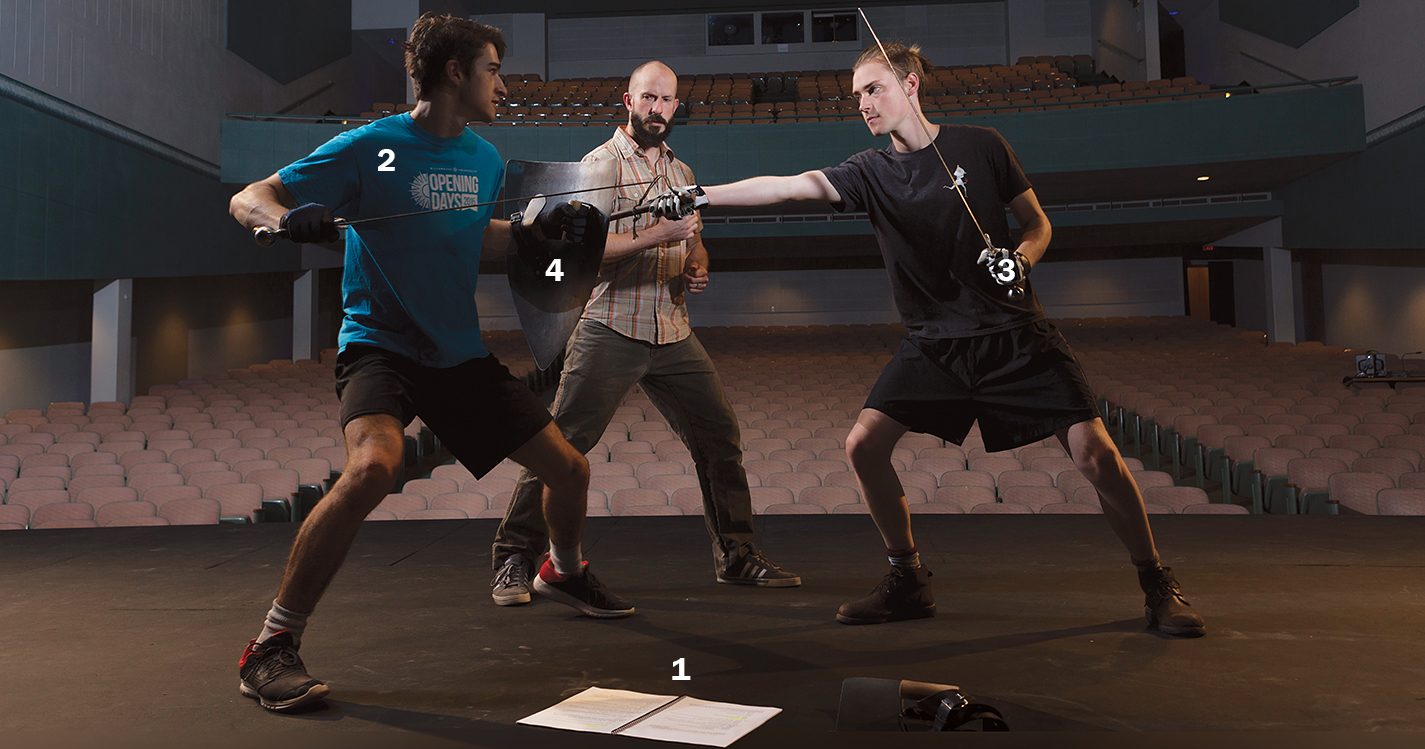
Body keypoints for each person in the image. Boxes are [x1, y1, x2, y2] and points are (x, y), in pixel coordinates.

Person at [651, 43, 1205, 636]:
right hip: (935, 344)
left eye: (873, 89)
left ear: (910, 85)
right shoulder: (870, 171)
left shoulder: (982, 146)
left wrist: (1021, 260)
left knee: (1097, 455)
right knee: (862, 446)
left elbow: (1039, 225)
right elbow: (790, 186)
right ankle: (907, 579)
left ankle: (1156, 583)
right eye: (856, 94)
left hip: (1015, 333)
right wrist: (702, 194)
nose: (862, 103)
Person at [227, 14, 634, 713]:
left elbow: (475, 243)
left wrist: (538, 236)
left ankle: (562, 571)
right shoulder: (369, 146)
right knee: (374, 466)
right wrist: (281, 221)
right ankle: (270, 645)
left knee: (569, 469)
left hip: (456, 354)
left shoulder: (483, 160)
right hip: (380, 344)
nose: (503, 86)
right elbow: (250, 197)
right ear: (455, 73)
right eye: (492, 71)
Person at [490, 61, 799, 605]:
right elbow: (578, 253)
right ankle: (515, 557)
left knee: (719, 440)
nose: (658, 109)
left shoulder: (681, 172)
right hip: (612, 325)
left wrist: (696, 260)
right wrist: (658, 235)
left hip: (673, 330)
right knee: (560, 448)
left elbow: (693, 237)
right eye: (648, 98)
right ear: (628, 101)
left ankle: (736, 555)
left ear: (676, 107)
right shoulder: (599, 166)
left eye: (667, 100)